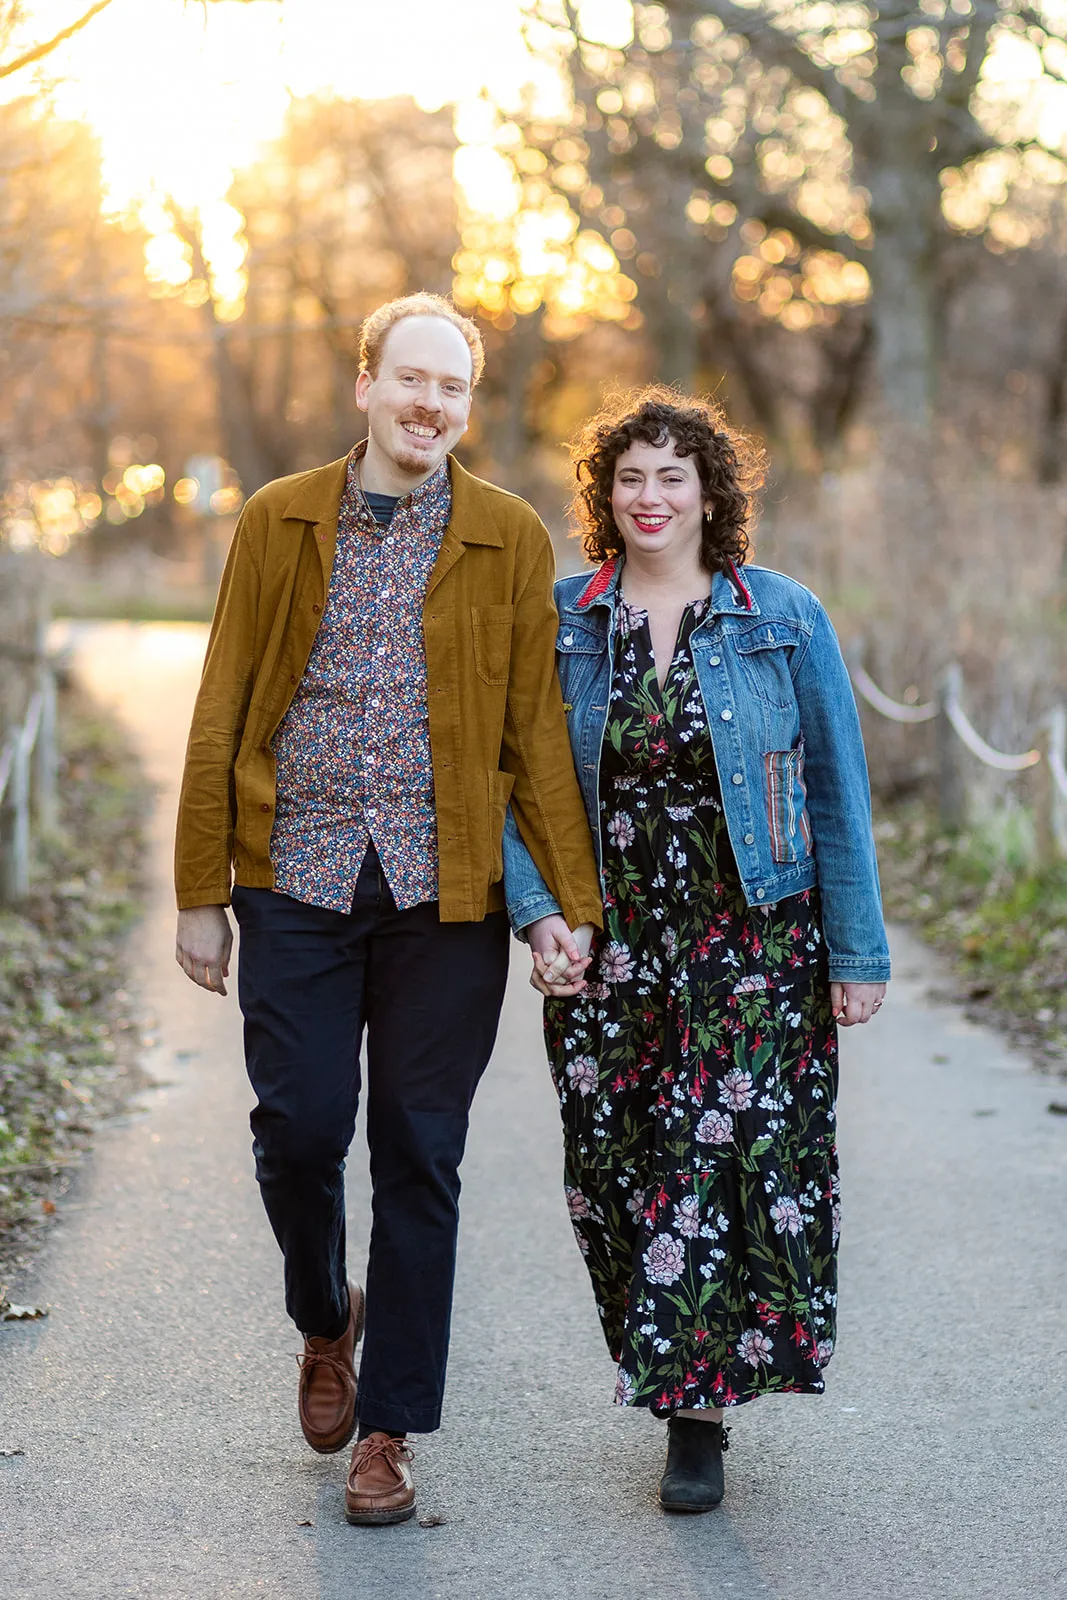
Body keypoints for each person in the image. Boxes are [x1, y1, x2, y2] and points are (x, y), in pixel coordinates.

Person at [173, 293, 601, 1526]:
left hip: (444, 894)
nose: (429, 404)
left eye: (452, 387)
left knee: (423, 1152)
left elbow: (534, 739)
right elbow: (222, 706)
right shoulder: (278, 520)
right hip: (295, 875)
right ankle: (324, 1314)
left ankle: (390, 1427)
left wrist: (565, 906)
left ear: (468, 405)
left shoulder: (509, 539)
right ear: (363, 386)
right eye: (409, 379)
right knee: (300, 1131)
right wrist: (203, 892)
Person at [503, 388, 889, 1513]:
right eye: (630, 476)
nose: (650, 496)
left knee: (715, 1169)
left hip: (753, 945)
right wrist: (539, 912)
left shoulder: (780, 616)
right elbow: (518, 789)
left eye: (673, 475)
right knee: (615, 1172)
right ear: (604, 495)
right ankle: (667, 1360)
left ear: (711, 491)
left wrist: (853, 953)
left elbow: (833, 789)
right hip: (610, 945)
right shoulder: (567, 620)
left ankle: (694, 1415)